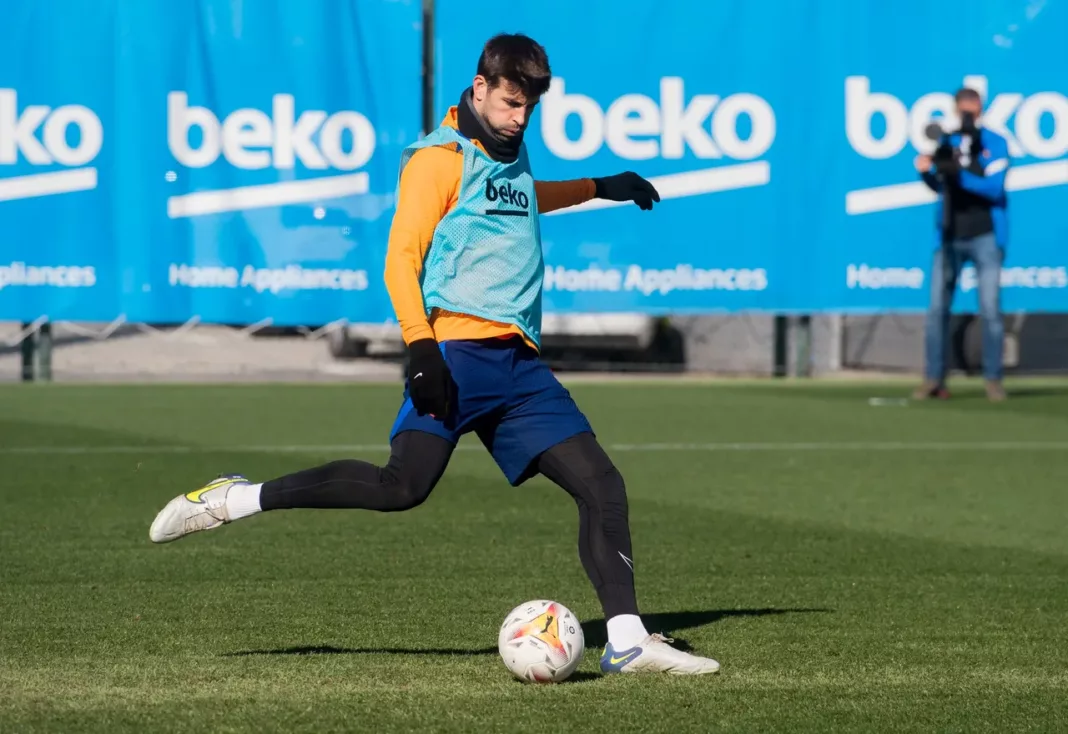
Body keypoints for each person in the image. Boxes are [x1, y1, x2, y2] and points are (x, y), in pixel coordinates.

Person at [149, 33, 720, 676]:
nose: (519, 117)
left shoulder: (509, 151)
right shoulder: (438, 159)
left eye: (529, 107)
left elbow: (523, 199)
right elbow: (400, 260)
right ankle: (235, 499)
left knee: (601, 486)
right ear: (479, 88)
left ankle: (626, 641)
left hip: (520, 367)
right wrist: (420, 349)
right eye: (509, 103)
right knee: (401, 488)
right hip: (457, 354)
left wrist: (597, 186)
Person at [912, 87, 1010, 402]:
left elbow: (994, 188)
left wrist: (961, 175)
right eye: (963, 107)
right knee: (937, 309)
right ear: (956, 108)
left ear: (980, 108)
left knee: (991, 310)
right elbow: (939, 186)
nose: (968, 112)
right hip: (949, 234)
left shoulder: (994, 142)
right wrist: (927, 172)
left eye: (973, 106)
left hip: (985, 235)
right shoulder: (948, 141)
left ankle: (993, 379)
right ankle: (934, 379)